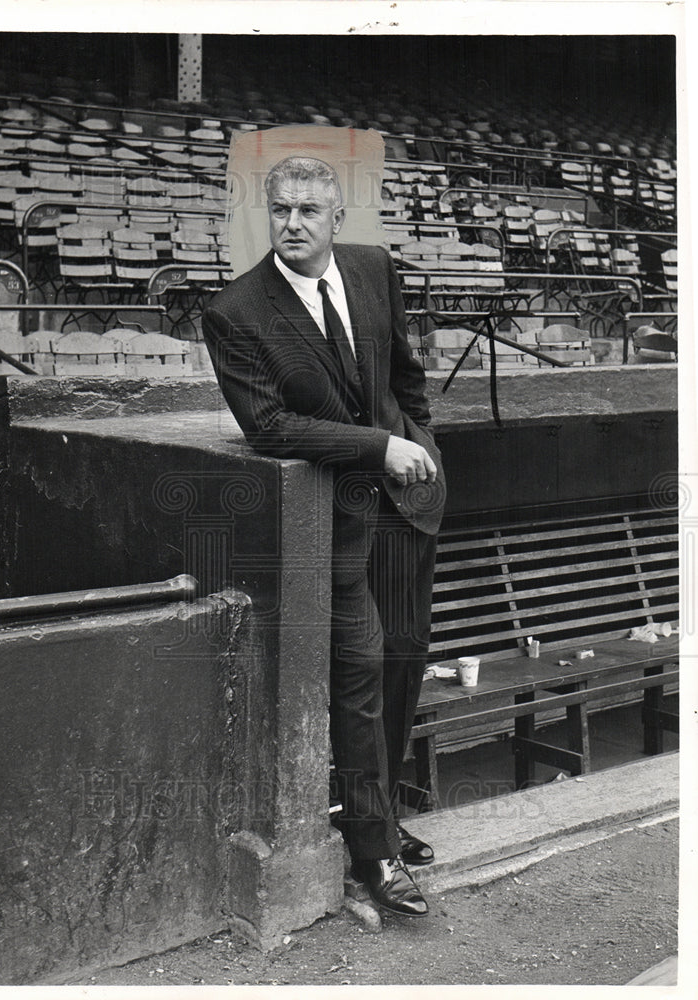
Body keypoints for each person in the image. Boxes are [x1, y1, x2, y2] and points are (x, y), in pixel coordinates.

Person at [202, 155, 446, 917]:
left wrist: (423, 446)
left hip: (407, 508)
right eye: (281, 210)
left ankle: (381, 815)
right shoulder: (236, 312)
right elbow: (270, 428)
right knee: (363, 679)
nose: (294, 224)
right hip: (335, 526)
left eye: (310, 210)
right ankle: (372, 856)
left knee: (405, 662)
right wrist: (380, 447)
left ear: (338, 219)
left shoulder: (374, 268)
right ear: (266, 213)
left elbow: (405, 376)